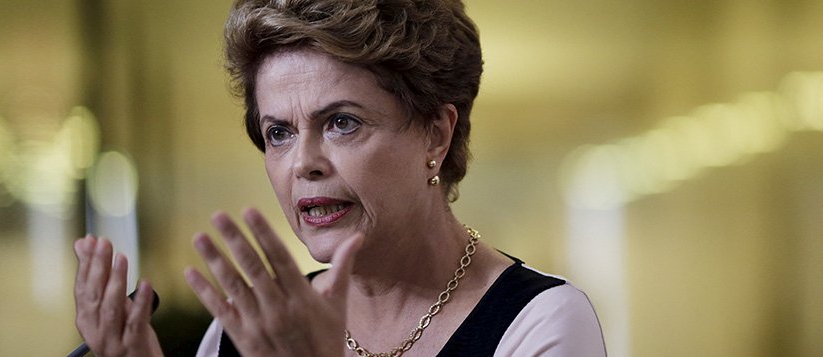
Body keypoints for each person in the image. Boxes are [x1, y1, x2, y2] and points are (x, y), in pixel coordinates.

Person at [72, 0, 607, 355]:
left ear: (436, 136)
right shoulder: (253, 331)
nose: (303, 162)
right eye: (278, 132)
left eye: (341, 123)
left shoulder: (540, 323)